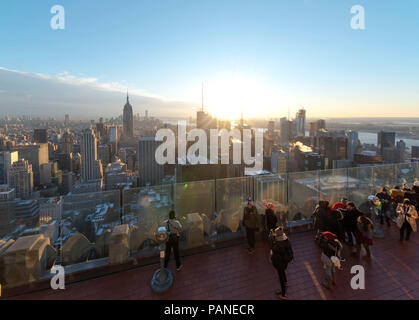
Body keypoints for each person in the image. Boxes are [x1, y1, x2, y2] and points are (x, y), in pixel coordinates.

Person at [270, 226, 293, 300]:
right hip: (285, 261)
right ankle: (286, 283)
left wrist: (271, 238)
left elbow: (273, 248)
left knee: (280, 277)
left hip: (279, 263)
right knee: (283, 272)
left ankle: (283, 294)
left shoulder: (278, 245)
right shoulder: (286, 241)